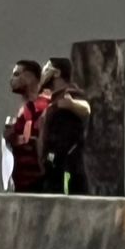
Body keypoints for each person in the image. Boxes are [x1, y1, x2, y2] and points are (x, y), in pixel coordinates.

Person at [38, 57, 92, 195]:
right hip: (53, 168)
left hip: (68, 167)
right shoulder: (53, 99)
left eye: (47, 67)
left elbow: (86, 108)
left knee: (68, 207)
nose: (43, 71)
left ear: (56, 73)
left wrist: (72, 104)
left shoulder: (69, 93)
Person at [4, 60, 49, 193]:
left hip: (37, 181)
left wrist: (14, 136)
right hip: (20, 178)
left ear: (30, 77)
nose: (11, 79)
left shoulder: (42, 106)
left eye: (17, 74)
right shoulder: (24, 108)